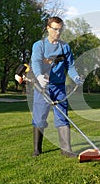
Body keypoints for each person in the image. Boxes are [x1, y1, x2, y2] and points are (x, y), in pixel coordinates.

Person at [30, 16, 82, 157]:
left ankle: (66, 150)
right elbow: (35, 62)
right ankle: (37, 149)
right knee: (39, 117)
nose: (58, 33)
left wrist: (76, 77)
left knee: (62, 116)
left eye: (60, 30)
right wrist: (39, 76)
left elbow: (70, 66)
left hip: (59, 87)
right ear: (48, 28)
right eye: (55, 29)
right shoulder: (39, 45)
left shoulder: (65, 47)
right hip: (43, 86)